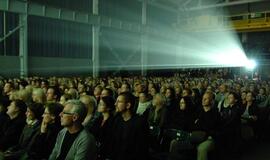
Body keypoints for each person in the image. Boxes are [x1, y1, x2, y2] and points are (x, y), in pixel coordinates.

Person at [109, 92, 149, 160]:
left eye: (119, 102)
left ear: (128, 105)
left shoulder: (140, 123)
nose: (115, 104)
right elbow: (114, 143)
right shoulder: (117, 120)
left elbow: (141, 149)